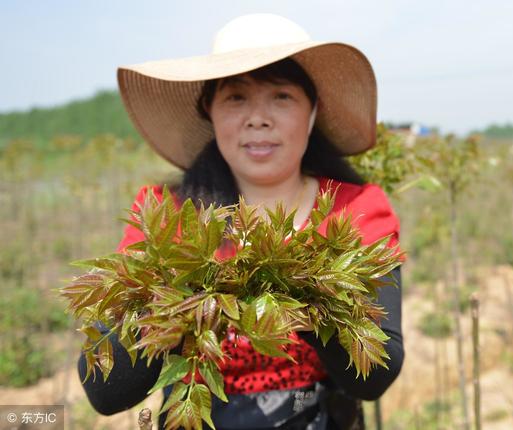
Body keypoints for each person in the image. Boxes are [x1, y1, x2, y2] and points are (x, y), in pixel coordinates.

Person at [77, 13, 404, 430]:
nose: (258, 118)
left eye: (281, 96)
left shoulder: (356, 211)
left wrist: (304, 292)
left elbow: (377, 374)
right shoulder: (165, 216)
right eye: (236, 97)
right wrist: (180, 295)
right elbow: (104, 391)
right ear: (209, 111)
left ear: (312, 112)